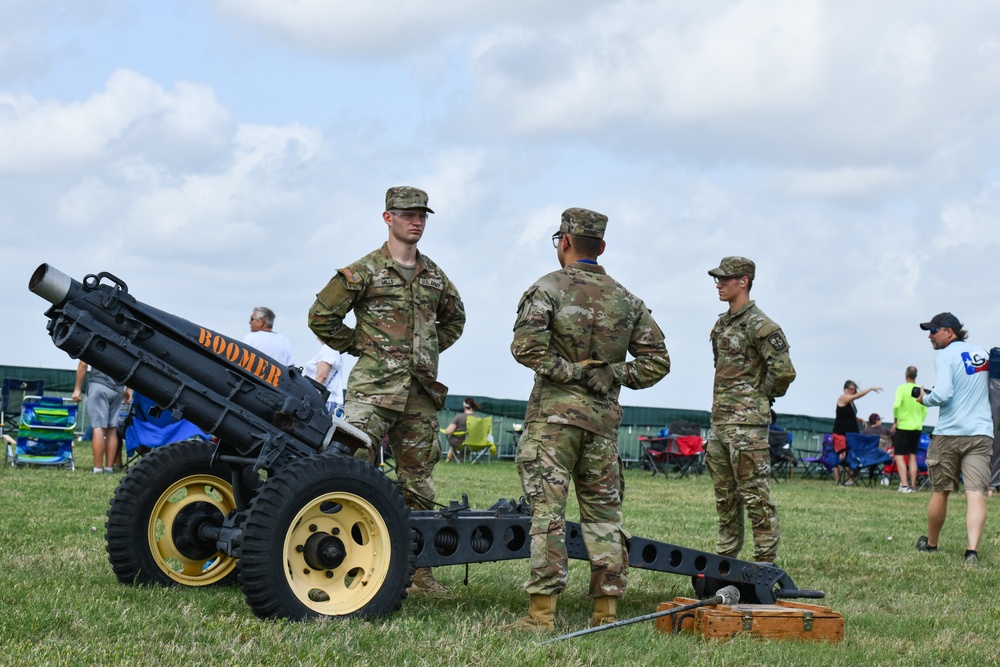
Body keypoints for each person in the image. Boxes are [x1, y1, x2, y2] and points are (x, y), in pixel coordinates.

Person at [504, 207, 670, 633]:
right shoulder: (627, 300)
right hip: (602, 426)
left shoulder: (548, 288)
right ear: (602, 246)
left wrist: (572, 372)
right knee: (603, 519)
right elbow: (658, 362)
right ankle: (605, 613)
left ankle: (541, 616)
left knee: (548, 516)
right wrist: (614, 373)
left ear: (563, 242)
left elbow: (525, 348)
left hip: (553, 423)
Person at [308, 186, 465, 594]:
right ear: (388, 217)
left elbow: (454, 320)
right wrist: (359, 344)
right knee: (349, 468)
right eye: (408, 214)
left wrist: (423, 349)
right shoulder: (363, 271)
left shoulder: (434, 276)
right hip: (373, 393)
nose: (417, 221)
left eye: (422, 215)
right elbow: (321, 316)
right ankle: (337, 556)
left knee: (419, 484)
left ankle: (419, 573)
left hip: (419, 395)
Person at [706, 256, 796, 565]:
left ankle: (764, 562)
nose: (718, 283)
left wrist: (758, 398)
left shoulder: (761, 325)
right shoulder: (721, 324)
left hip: (747, 426)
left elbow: (783, 371)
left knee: (756, 495)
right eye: (717, 278)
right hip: (720, 423)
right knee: (725, 497)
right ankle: (726, 559)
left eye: (725, 278)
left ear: (743, 281)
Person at [913, 313, 993, 566]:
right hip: (981, 432)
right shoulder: (983, 354)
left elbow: (945, 393)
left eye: (933, 331)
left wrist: (925, 399)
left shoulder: (945, 356)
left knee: (941, 490)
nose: (930, 336)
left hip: (949, 432)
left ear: (949, 331)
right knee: (975, 492)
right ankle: (972, 551)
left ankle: (932, 544)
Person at [72, 360, 130, 473]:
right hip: (118, 389)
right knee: (112, 429)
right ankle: (109, 468)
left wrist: (77, 389)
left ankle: (97, 469)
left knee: (98, 427)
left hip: (99, 385)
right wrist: (128, 389)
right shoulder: (126, 341)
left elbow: (83, 363)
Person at [832, 380, 882, 485]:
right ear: (846, 389)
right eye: (851, 389)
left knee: (850, 456)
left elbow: (849, 416)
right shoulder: (843, 398)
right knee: (841, 457)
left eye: (854, 390)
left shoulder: (851, 403)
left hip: (851, 434)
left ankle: (848, 480)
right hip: (840, 433)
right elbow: (857, 396)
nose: (853, 392)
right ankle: (838, 481)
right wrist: (870, 389)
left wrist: (860, 420)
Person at [892, 366, 927, 493]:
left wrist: (896, 421)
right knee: (912, 455)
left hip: (904, 426)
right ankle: (913, 485)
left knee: (899, 455)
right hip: (917, 426)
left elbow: (896, 405)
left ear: (905, 375)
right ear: (915, 376)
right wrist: (919, 420)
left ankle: (904, 484)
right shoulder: (919, 390)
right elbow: (925, 408)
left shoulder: (901, 389)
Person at [303, 340, 344, 415]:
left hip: (323, 400)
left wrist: (307, 394)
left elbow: (322, 376)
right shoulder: (333, 349)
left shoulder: (328, 349)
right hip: (329, 400)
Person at [443, 397, 480, 463]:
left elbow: (448, 431)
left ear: (464, 406)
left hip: (458, 442)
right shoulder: (478, 418)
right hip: (475, 443)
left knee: (455, 444)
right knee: (467, 446)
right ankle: (460, 458)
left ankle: (449, 459)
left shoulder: (459, 417)